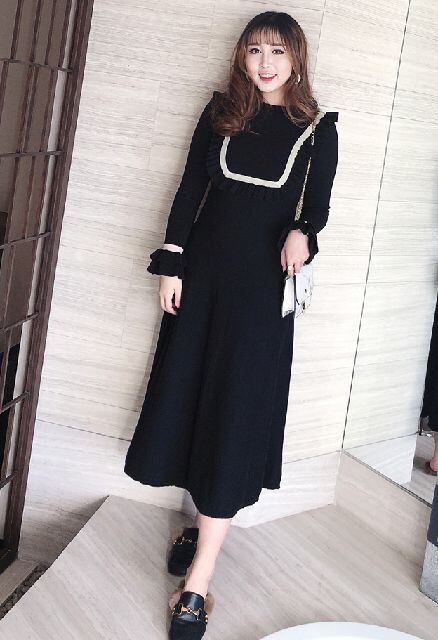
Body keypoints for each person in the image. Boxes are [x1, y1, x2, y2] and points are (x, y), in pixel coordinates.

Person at [124, 10, 339, 639]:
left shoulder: (317, 128)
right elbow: (190, 187)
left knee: (235, 412)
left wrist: (304, 232)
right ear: (241, 57)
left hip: (260, 295)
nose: (265, 63)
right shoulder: (220, 112)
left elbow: (317, 205)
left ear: (296, 58)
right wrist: (172, 262)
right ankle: (197, 527)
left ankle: (198, 584)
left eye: (278, 51)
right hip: (203, 281)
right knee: (194, 400)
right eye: (255, 51)